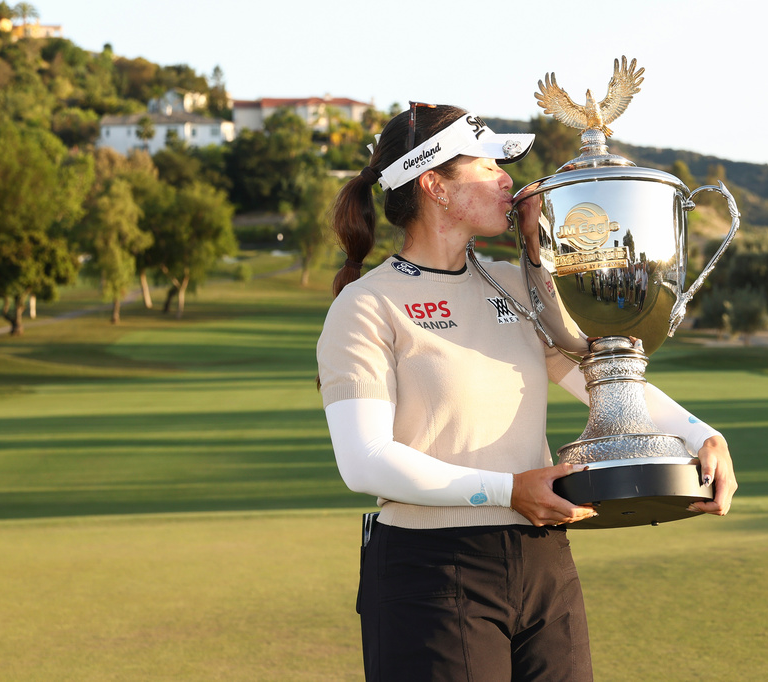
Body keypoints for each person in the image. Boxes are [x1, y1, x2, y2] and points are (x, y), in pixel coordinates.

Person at [316, 103, 737, 682]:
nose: (506, 178)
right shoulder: (367, 305)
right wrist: (508, 490)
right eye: (488, 165)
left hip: (542, 560)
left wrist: (702, 436)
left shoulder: (517, 284)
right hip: (431, 569)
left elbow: (603, 379)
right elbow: (364, 462)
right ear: (435, 185)